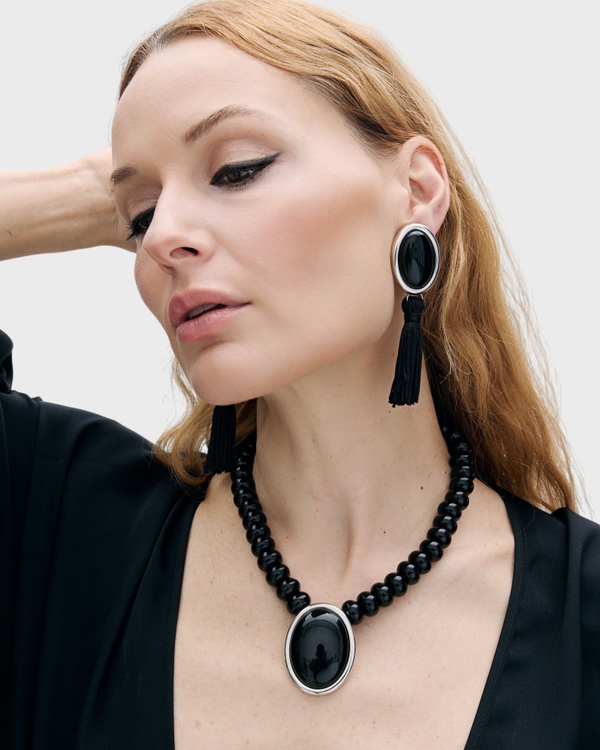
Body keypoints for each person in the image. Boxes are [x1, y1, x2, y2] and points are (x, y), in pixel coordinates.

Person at [1, 0, 598, 747]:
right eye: (142, 216)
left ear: (416, 191)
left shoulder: (583, 621)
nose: (161, 240)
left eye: (237, 169)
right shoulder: (58, 527)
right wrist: (92, 190)